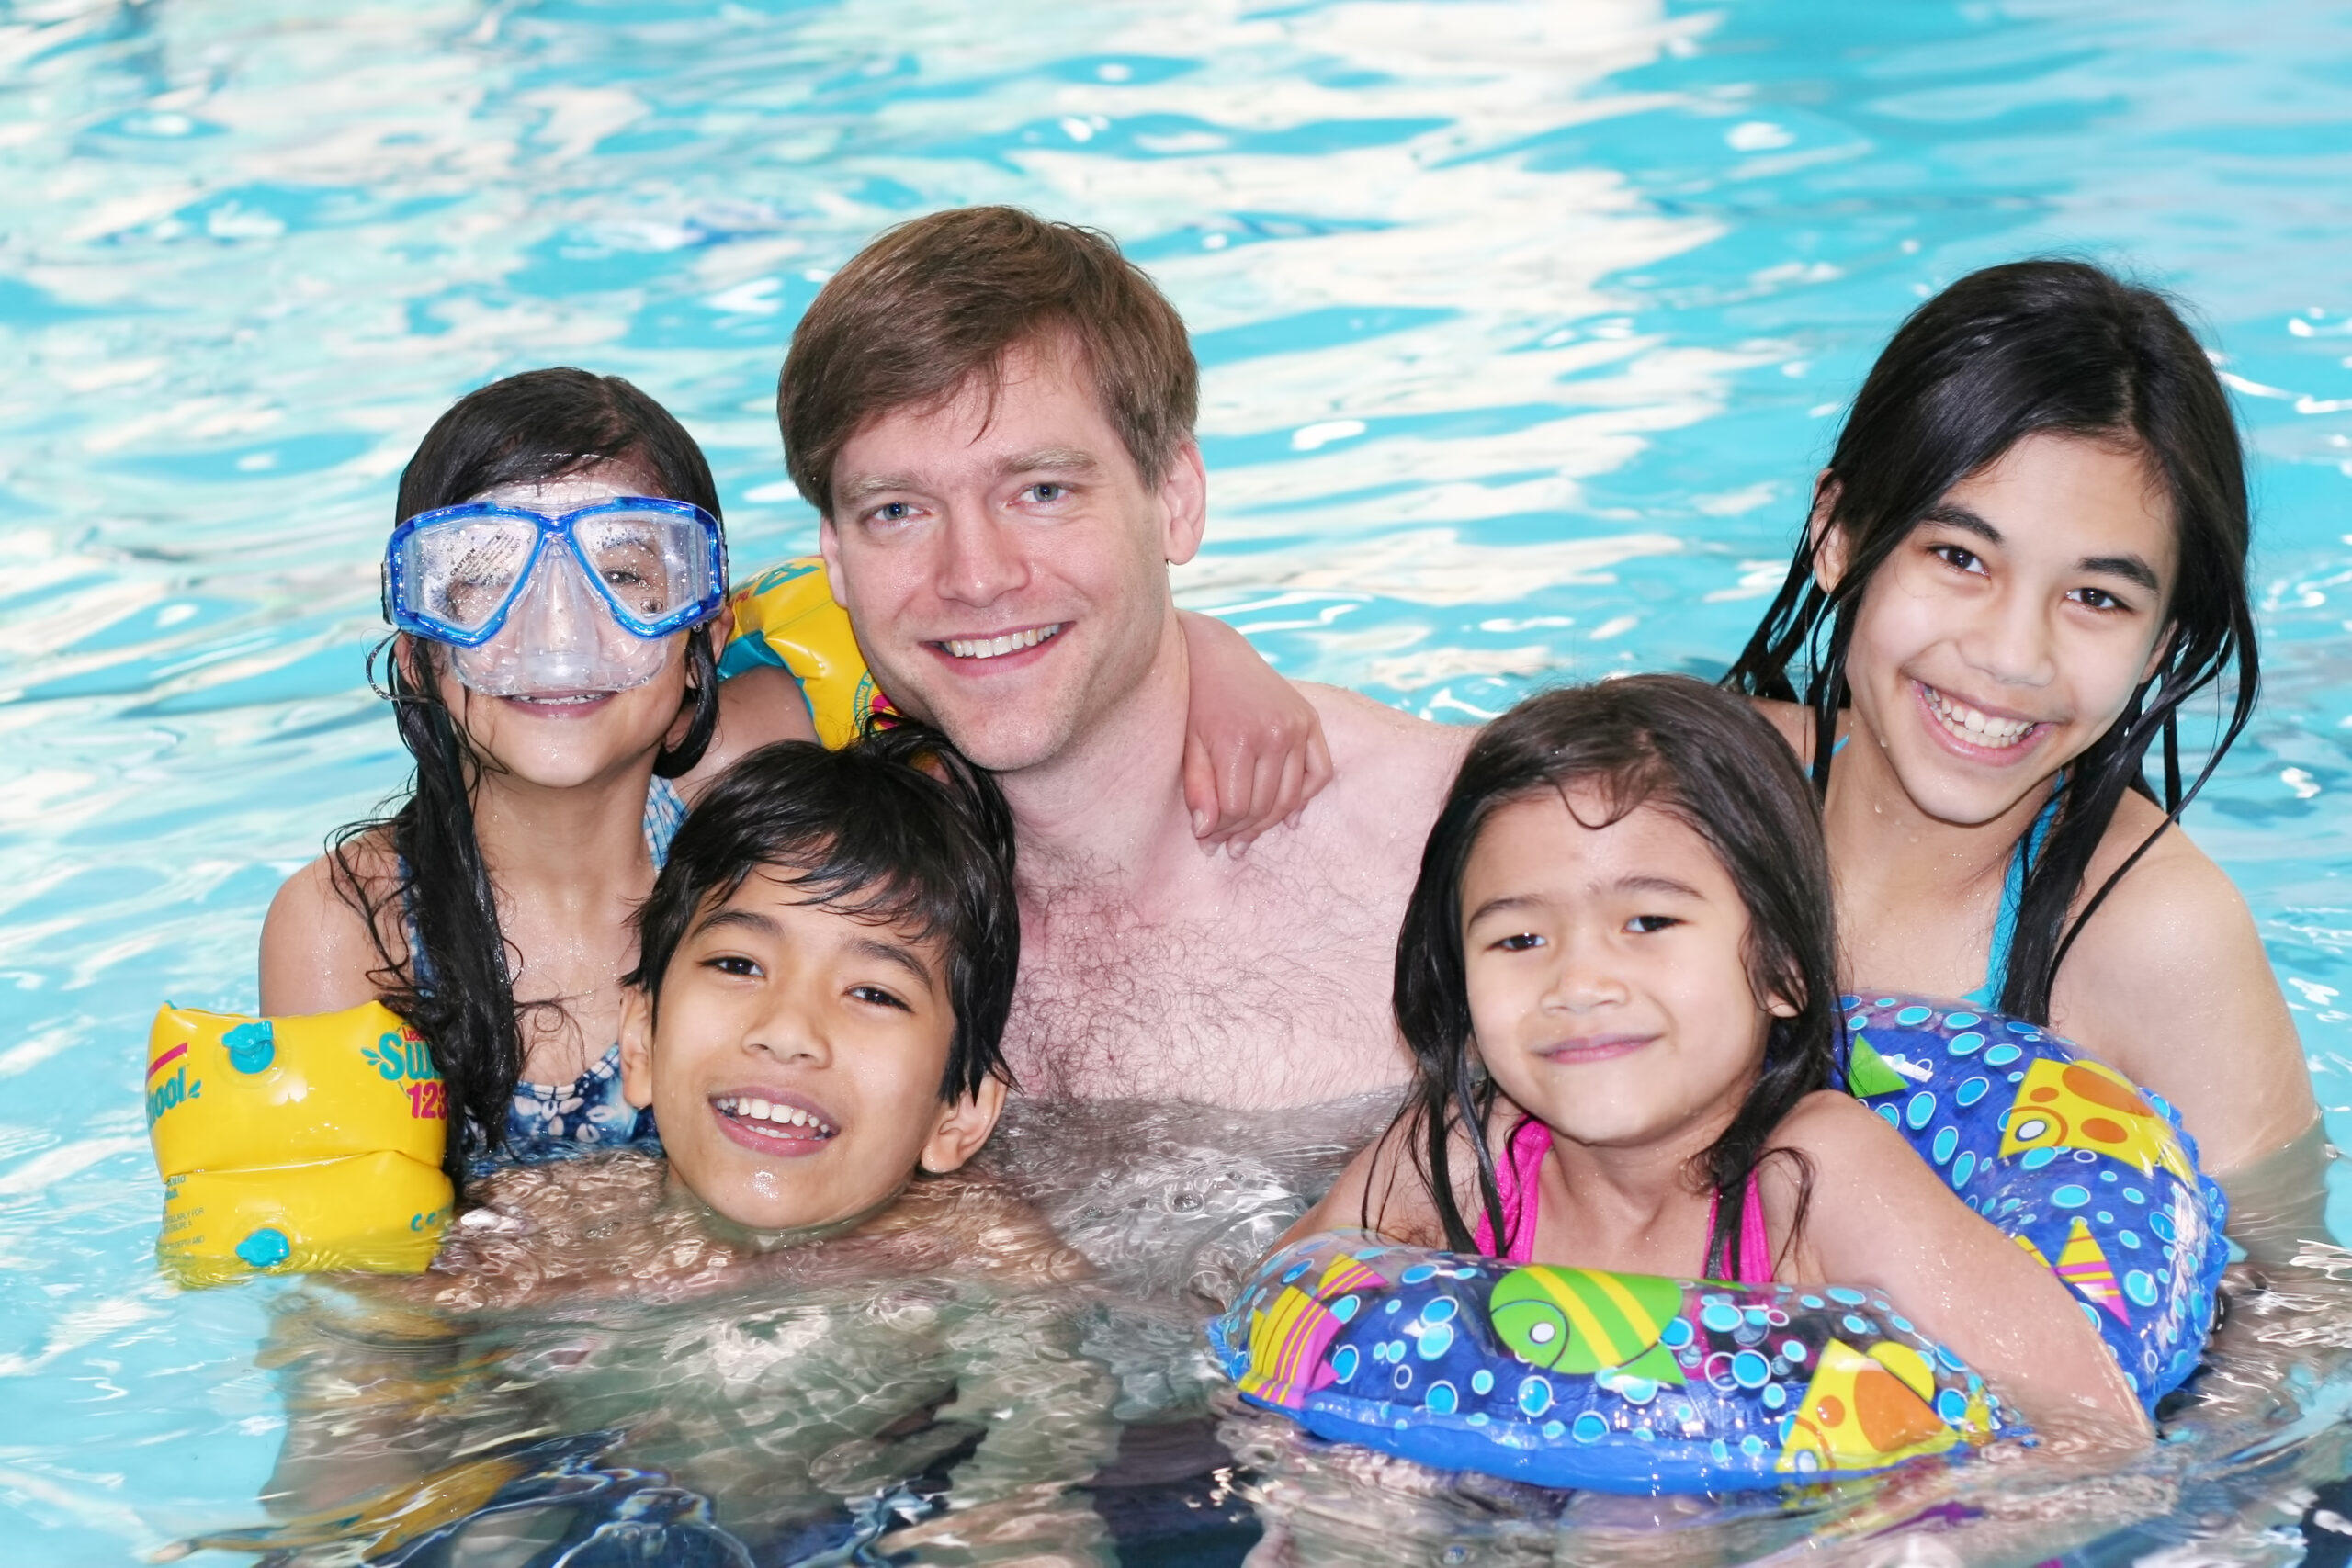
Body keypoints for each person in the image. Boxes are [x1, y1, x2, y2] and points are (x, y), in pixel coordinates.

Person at [258, 367, 1332, 1185]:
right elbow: (358, 1302)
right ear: (416, 649)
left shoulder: (757, 812)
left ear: (702, 641)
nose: (559, 636)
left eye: (627, 574)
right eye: (483, 582)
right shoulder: (357, 924)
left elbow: (991, 648)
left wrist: (1209, 658)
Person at [1288, 675, 2148, 1443]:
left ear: (1781, 969)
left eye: (1649, 922)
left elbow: (2088, 1428)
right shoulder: (1459, 1158)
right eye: (1520, 937)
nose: (1578, 982)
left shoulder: (1814, 1176)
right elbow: (1279, 1316)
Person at [759, 205, 1472, 1108]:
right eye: (897, 510)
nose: (974, 578)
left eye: (1041, 490)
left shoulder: (1453, 856)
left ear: (1175, 499)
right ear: (834, 559)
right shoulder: (799, 907)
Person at [1719, 260, 2320, 1235]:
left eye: (2095, 598)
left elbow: (2283, 1310)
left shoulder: (2157, 938)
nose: (2008, 655)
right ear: (1836, 534)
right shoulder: (1667, 798)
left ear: (2159, 643)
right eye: (1958, 557)